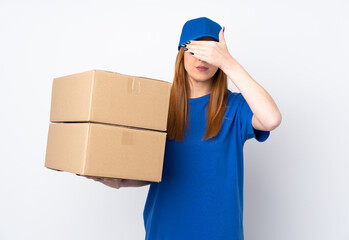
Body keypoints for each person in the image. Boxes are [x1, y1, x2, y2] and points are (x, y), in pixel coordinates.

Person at [84, 16, 282, 240]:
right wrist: (119, 181)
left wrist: (229, 63)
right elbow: (154, 171)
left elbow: (271, 119)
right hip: (165, 229)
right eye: (194, 49)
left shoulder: (235, 107)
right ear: (181, 53)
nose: (202, 59)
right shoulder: (158, 105)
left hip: (218, 232)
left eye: (211, 53)